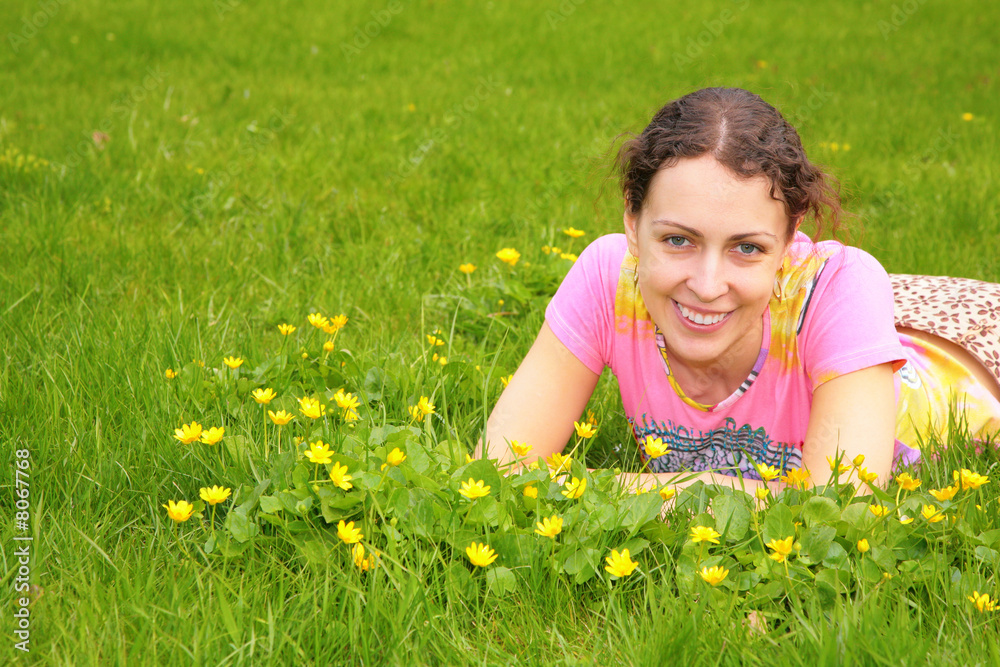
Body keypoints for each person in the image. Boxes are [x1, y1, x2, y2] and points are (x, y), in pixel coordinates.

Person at [481, 87, 1000, 495]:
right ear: (632, 221)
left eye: (747, 248)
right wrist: (721, 494)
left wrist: (609, 488)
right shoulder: (608, 276)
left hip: (972, 354)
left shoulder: (839, 285)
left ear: (792, 239)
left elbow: (844, 507)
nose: (707, 286)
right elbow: (499, 471)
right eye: (678, 240)